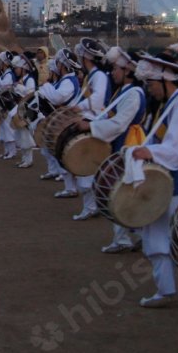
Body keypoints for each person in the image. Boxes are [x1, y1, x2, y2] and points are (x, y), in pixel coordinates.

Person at [130, 51, 178, 308]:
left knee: (159, 233)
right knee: (176, 233)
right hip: (170, 176)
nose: (149, 89)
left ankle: (167, 290)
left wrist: (147, 151)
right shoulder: (172, 102)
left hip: (174, 177)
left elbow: (175, 148)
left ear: (165, 80)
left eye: (151, 83)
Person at [77, 46, 146, 253]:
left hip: (129, 145)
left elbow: (118, 124)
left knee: (121, 193)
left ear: (128, 71)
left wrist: (90, 126)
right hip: (121, 144)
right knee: (119, 193)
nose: (113, 72)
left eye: (116, 68)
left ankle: (129, 237)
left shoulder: (134, 93)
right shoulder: (124, 91)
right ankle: (130, 236)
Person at [72, 38, 110, 221]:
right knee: (85, 169)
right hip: (87, 122)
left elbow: (98, 100)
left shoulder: (99, 76)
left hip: (93, 124)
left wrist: (78, 108)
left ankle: (92, 206)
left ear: (86, 58)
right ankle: (91, 205)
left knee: (87, 167)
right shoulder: (92, 76)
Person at [41, 48, 81, 194]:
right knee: (58, 153)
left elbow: (58, 98)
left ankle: (71, 188)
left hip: (67, 122)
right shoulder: (66, 80)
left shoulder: (69, 81)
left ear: (62, 65)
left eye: (58, 62)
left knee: (64, 154)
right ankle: (69, 187)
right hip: (63, 121)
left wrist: (45, 87)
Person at [10, 55, 37, 168]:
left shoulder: (29, 79)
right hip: (21, 108)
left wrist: (19, 87)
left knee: (25, 134)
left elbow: (30, 93)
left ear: (23, 68)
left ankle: (28, 159)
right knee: (21, 134)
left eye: (16, 68)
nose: (15, 70)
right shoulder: (22, 80)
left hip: (28, 109)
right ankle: (24, 158)